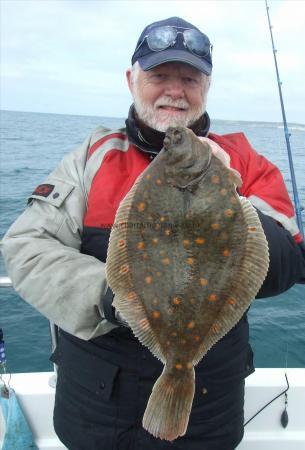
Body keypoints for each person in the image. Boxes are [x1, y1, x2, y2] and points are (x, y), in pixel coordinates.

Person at [2, 16, 305, 450]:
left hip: (209, 409)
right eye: (159, 75)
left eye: (189, 78)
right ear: (132, 80)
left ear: (206, 87)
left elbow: (288, 266)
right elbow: (26, 249)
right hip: (97, 408)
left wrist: (227, 191)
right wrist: (113, 298)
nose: (175, 91)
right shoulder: (92, 156)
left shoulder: (244, 162)